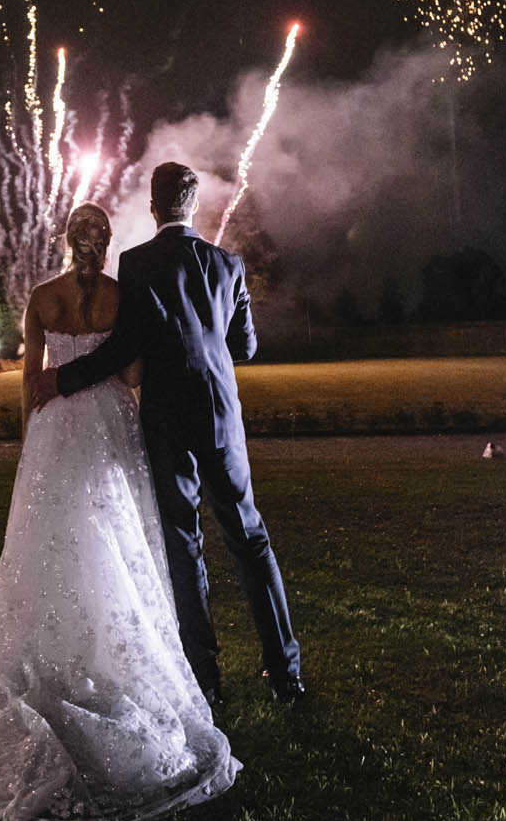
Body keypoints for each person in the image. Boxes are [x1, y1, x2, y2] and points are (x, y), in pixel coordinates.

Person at [0, 201, 238, 821]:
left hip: (57, 431)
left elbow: (31, 382)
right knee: (115, 533)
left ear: (64, 240)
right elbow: (132, 373)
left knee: (50, 538)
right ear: (104, 245)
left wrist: (33, 446)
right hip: (109, 426)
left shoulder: (42, 298)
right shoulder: (121, 296)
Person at [30, 162, 304, 707]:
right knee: (250, 540)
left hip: (166, 419)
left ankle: (205, 680)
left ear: (154, 209)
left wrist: (63, 377)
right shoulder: (228, 264)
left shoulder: (137, 264)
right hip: (221, 418)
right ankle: (286, 673)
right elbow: (245, 347)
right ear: (194, 206)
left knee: (184, 546)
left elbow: (124, 344)